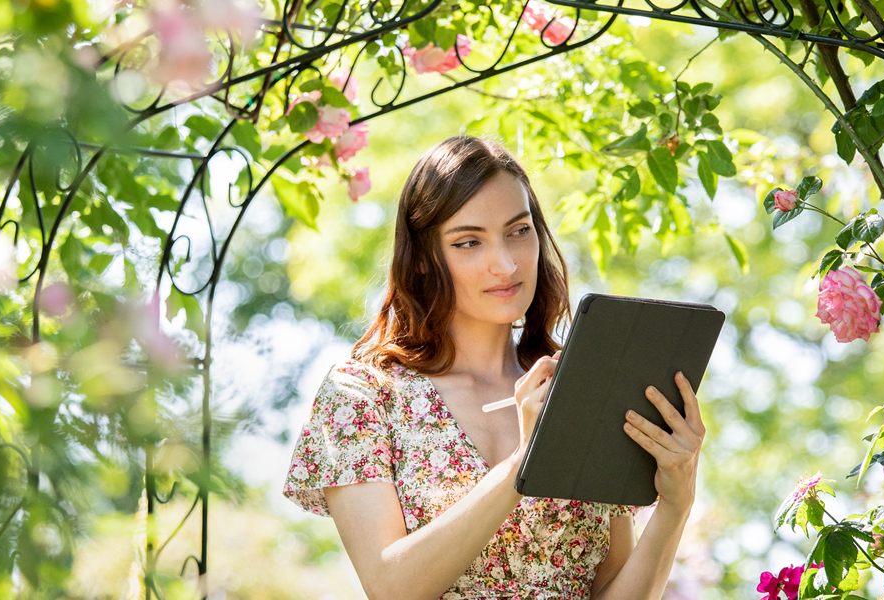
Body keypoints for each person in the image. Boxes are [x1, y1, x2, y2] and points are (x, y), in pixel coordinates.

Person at [283, 136, 706, 600]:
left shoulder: (580, 383)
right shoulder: (364, 395)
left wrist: (675, 504)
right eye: (469, 242)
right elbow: (390, 587)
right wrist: (522, 464)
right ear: (423, 259)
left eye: (519, 231)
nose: (505, 264)